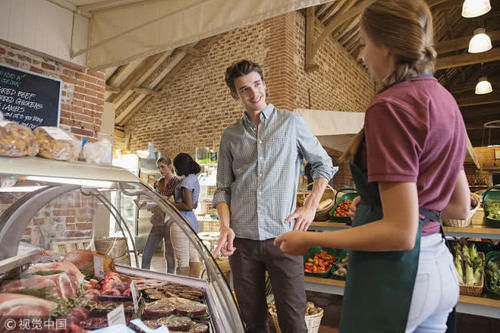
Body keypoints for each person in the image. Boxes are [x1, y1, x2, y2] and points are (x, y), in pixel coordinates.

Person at [275, 1, 470, 332]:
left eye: (364, 44)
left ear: (387, 45)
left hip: (398, 278)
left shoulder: (389, 106)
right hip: (439, 270)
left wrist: (313, 239)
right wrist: (375, 206)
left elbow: (402, 231)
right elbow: (458, 205)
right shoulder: (445, 101)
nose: (363, 55)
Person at [213, 60, 336, 333]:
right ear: (235, 95)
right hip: (242, 243)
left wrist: (311, 207)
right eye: (244, 89)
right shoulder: (230, 136)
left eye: (257, 84)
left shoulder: (291, 123)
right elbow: (223, 188)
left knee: (293, 320)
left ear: (264, 84)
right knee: (252, 322)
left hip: (284, 237)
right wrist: (224, 226)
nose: (254, 93)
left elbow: (323, 164)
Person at [141, 157, 178, 273]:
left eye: (163, 167)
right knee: (146, 254)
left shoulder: (175, 181)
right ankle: (144, 279)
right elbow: (158, 201)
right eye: (159, 167)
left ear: (170, 167)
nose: (161, 170)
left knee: (169, 256)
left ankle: (170, 281)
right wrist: (147, 204)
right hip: (158, 221)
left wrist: (152, 198)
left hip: (170, 222)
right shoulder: (160, 182)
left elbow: (165, 199)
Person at [171, 152, 202, 277]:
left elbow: (188, 206)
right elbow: (194, 205)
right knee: (194, 257)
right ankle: (195, 289)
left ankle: (183, 292)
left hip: (181, 223)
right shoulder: (194, 179)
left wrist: (169, 204)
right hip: (192, 224)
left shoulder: (185, 183)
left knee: (182, 261)